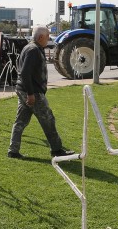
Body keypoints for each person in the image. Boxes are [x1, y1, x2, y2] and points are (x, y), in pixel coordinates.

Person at [8, 25, 75, 159]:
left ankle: (13, 151)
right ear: (40, 37)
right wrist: (31, 94)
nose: (49, 39)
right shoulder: (33, 50)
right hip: (33, 92)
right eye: (47, 36)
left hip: (23, 90)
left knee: (20, 121)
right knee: (48, 120)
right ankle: (56, 150)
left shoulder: (30, 47)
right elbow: (25, 73)